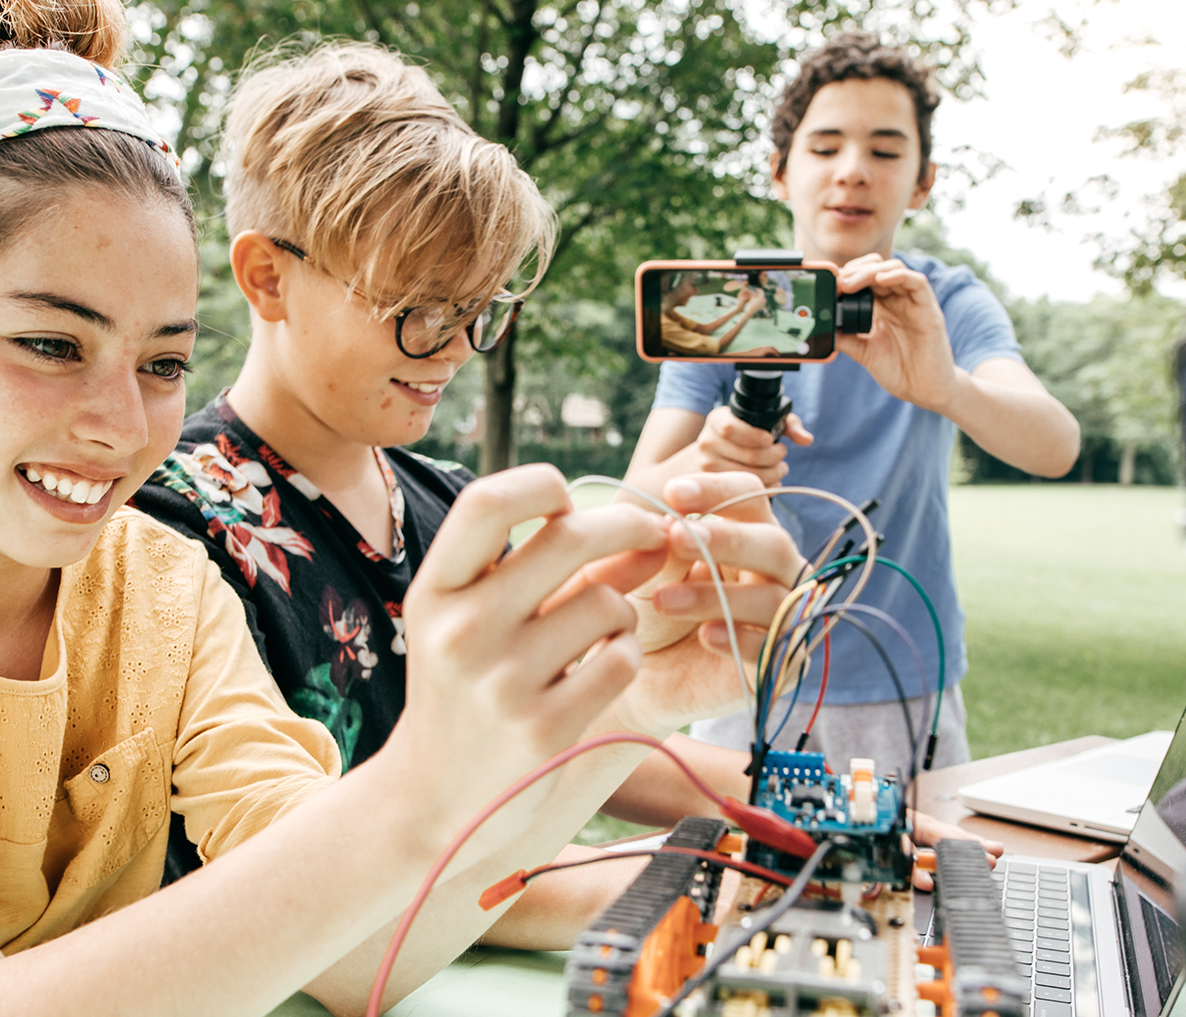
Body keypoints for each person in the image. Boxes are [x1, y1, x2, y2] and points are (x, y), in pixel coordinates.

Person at [0, 7, 791, 1016]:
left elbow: (371, 949)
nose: (124, 425)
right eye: (53, 344)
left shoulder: (162, 588)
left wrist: (600, 701)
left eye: (164, 363)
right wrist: (428, 778)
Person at [128, 41, 995, 935]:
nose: (460, 349)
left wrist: (829, 819)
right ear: (269, 276)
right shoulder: (171, 531)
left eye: (479, 310)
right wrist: (753, 879)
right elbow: (335, 887)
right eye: (420, 310)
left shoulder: (447, 502)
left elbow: (595, 743)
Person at [625, 33, 1082, 772]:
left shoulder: (947, 302)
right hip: (744, 664)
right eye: (826, 145)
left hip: (902, 676)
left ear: (923, 181)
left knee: (914, 882)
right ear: (780, 172)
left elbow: (1055, 444)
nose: (853, 172)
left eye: (885, 150)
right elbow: (634, 497)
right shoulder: (722, 302)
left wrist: (947, 387)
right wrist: (709, 457)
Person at [660, 270, 768, 356]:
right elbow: (718, 347)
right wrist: (749, 313)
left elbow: (704, 329)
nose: (696, 291)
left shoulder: (666, 312)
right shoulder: (663, 325)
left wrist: (739, 308)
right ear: (671, 286)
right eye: (692, 284)